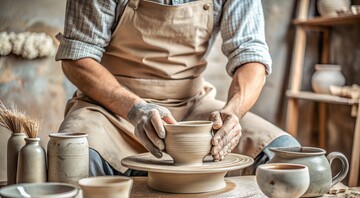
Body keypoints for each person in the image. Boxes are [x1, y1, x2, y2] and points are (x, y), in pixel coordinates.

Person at [56, 0, 300, 176]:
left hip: (193, 107)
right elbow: (77, 58)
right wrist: (134, 108)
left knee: (287, 156)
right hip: (110, 110)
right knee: (72, 159)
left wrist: (233, 112)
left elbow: (251, 55)